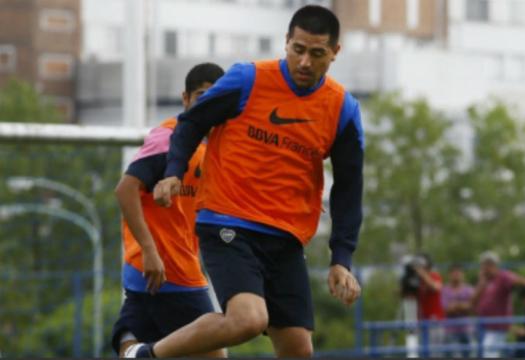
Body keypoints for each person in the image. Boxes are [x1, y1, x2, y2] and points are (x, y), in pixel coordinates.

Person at [126, 5, 364, 358]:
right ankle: (146, 355)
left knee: (298, 349)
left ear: (334, 53)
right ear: (286, 42)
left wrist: (341, 259)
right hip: (228, 222)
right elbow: (191, 122)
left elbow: (348, 187)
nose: (304, 62)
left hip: (285, 238)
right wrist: (174, 171)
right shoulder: (247, 80)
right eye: (297, 49)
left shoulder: (342, 108)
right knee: (248, 319)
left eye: (316, 54)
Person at [111, 63, 227, 357]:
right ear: (185, 99)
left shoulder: (212, 145)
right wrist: (150, 251)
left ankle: (130, 343)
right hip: (168, 269)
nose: (208, 103)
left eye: (216, 97)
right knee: (215, 349)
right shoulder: (168, 139)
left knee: (136, 336)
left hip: (156, 269)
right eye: (202, 95)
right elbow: (125, 190)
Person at [472, 251, 525, 358]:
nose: (486, 267)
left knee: (490, 354)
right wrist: (481, 284)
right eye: (484, 264)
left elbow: (518, 281)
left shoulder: (503, 276)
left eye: (489, 264)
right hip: (483, 324)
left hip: (498, 326)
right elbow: (472, 303)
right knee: (484, 353)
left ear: (495, 265)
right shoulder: (483, 281)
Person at [413, 254, 445, 356]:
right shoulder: (417, 280)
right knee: (422, 351)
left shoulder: (434, 275)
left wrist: (422, 274)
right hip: (421, 321)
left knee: (434, 352)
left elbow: (435, 288)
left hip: (435, 320)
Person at [441, 264, 475, 358]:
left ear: (462, 274)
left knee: (471, 354)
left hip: (467, 328)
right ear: (449, 274)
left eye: (458, 272)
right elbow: (446, 309)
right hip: (450, 330)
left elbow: (472, 307)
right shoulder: (444, 290)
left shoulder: (469, 289)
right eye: (454, 272)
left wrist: (456, 305)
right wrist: (463, 306)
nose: (456, 274)